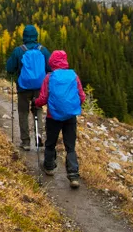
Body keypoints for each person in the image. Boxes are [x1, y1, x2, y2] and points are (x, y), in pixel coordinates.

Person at [34, 50, 86, 189]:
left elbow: (43, 98)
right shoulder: (73, 76)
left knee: (51, 142)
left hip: (53, 116)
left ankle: (49, 167)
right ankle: (73, 175)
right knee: (70, 146)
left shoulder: (49, 77)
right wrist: (72, 107)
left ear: (51, 62)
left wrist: (36, 103)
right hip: (70, 116)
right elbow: (82, 96)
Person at [6, 25, 51, 151]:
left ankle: (25, 142)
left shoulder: (19, 50)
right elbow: (50, 68)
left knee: (23, 112)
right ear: (36, 36)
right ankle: (38, 136)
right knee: (38, 110)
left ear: (24, 36)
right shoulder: (43, 50)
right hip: (39, 87)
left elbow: (9, 68)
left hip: (23, 88)